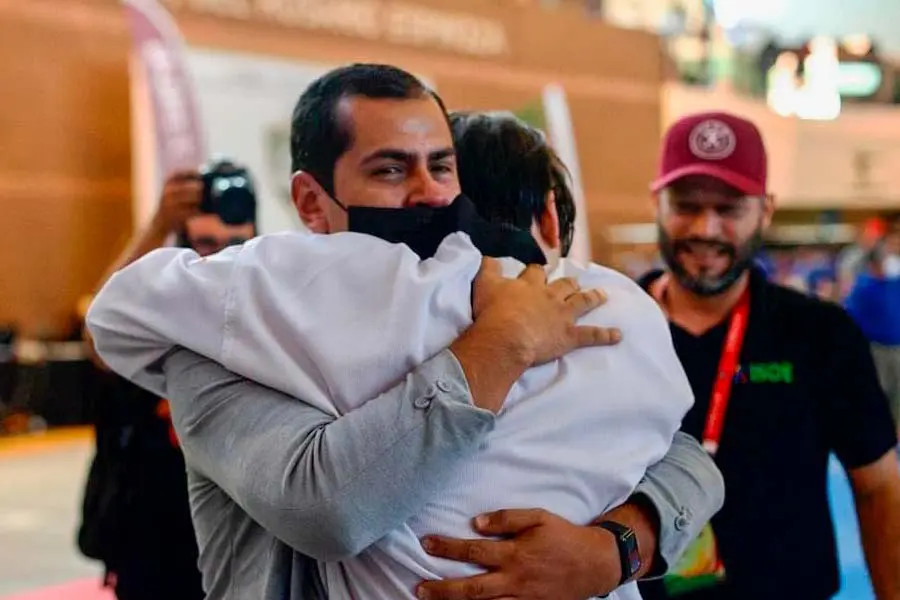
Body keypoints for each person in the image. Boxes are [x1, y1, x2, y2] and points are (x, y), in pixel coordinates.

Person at [87, 64, 723, 600]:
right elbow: (330, 509)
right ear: (312, 202)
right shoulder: (227, 342)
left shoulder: (552, 302)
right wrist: (504, 344)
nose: (428, 197)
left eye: (441, 169)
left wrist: (613, 550)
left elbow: (687, 458)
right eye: (391, 171)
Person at [633, 111, 900, 600]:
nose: (705, 227)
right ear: (656, 202)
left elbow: (878, 486)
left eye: (729, 209)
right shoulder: (608, 331)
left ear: (766, 210)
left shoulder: (820, 334)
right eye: (686, 205)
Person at [76, 168, 254, 600]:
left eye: (234, 248)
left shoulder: (260, 316)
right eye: (205, 247)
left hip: (236, 540)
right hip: (151, 540)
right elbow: (99, 334)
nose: (218, 263)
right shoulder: (159, 316)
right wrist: (157, 226)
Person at [845, 235, 900, 439]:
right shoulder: (863, 287)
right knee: (878, 393)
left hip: (897, 348)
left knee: (897, 396)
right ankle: (880, 435)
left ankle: (895, 435)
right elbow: (850, 318)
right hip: (875, 348)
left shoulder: (896, 284)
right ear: (873, 264)